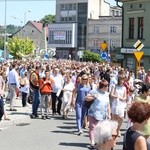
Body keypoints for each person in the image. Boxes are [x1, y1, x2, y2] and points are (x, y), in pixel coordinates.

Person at [85, 79, 111, 148]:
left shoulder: (106, 94)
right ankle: (92, 142)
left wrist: (109, 113)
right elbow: (86, 98)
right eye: (107, 86)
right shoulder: (94, 91)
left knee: (100, 129)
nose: (108, 87)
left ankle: (98, 141)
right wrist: (94, 97)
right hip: (93, 113)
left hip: (103, 114)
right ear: (103, 86)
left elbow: (108, 105)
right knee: (92, 127)